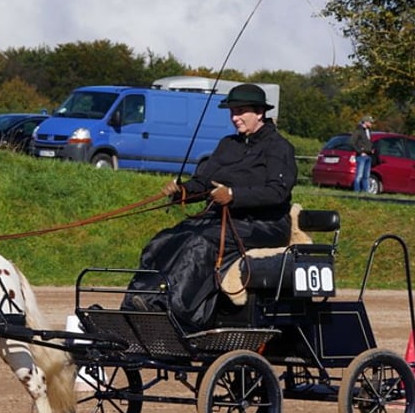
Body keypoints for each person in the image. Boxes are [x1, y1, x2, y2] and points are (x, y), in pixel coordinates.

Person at [121, 83, 298, 333]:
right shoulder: (228, 145)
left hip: (265, 225)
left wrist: (234, 195)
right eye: (232, 112)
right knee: (164, 240)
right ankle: (138, 304)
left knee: (201, 242)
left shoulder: (279, 147)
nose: (235, 118)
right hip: (223, 220)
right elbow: (203, 182)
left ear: (260, 112)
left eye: (241, 111)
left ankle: (175, 312)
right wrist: (182, 191)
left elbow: (277, 191)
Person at [349, 115, 375, 192]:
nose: (371, 124)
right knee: (359, 175)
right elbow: (351, 142)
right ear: (365, 122)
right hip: (361, 156)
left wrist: (371, 150)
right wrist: (360, 152)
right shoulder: (358, 131)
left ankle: (366, 191)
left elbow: (368, 142)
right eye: (370, 122)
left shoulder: (369, 131)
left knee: (366, 176)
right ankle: (357, 190)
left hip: (369, 155)